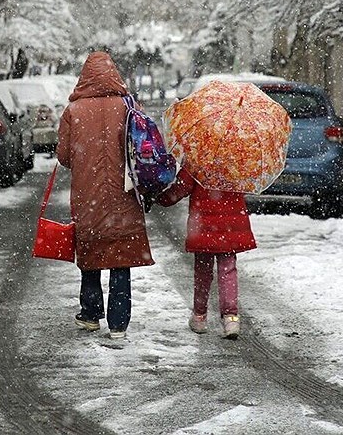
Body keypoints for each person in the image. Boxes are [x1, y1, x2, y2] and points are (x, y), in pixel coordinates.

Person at [56, 51, 154, 339]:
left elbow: (64, 156)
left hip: (88, 196)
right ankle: (119, 322)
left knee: (91, 250)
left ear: (85, 76)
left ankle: (90, 313)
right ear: (114, 73)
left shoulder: (73, 111)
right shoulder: (128, 106)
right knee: (120, 255)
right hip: (125, 194)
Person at [156, 164, 256, 339]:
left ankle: (199, 317)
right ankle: (231, 318)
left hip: (203, 224)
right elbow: (248, 186)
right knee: (228, 270)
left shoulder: (198, 157)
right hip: (231, 224)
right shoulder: (238, 157)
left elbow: (181, 188)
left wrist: (160, 199)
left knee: (203, 271)